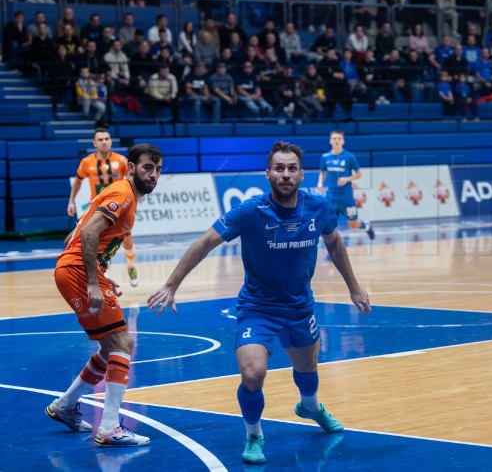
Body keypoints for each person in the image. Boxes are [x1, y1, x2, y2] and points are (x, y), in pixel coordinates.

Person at [147, 141, 370, 464]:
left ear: (301, 174)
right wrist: (171, 284)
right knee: (253, 374)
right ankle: (254, 435)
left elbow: (334, 244)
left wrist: (354, 288)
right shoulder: (251, 211)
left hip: (299, 307)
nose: (285, 174)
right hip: (257, 309)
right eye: (279, 168)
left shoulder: (318, 207)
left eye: (292, 169)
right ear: (267, 174)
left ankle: (310, 407)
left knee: (307, 369)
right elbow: (206, 241)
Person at [48, 143, 162, 446]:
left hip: (75, 268)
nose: (154, 175)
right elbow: (86, 234)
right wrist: (92, 282)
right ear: (132, 167)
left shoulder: (122, 194)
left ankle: (65, 406)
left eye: (158, 169)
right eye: (148, 167)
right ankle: (110, 426)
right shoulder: (123, 194)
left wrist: (100, 274)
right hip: (75, 272)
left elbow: (73, 235)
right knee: (123, 342)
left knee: (109, 347)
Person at [67, 128, 141, 286]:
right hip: (97, 209)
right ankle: (97, 275)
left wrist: (135, 198)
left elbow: (132, 179)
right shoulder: (87, 162)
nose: (104, 142)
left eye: (107, 139)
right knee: (90, 240)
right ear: (94, 143)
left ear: (111, 141)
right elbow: (78, 181)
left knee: (126, 241)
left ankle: (131, 266)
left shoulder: (121, 160)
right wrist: (71, 201)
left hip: (120, 209)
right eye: (100, 140)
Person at [317, 131, 376, 240]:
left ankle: (366, 226)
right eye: (334, 138)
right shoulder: (325, 157)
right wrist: (320, 182)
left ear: (343, 141)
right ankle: (331, 253)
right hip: (331, 196)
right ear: (330, 141)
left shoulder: (349, 157)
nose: (336, 141)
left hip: (346, 196)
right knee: (329, 225)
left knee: (353, 224)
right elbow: (322, 172)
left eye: (339, 138)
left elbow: (359, 174)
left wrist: (347, 179)